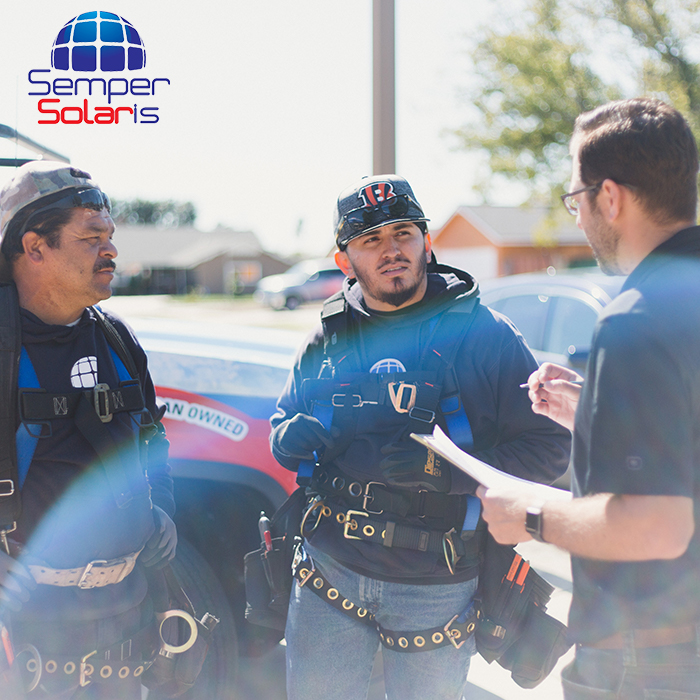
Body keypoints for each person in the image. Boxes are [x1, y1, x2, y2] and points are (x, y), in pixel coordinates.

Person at [269, 174, 571, 700]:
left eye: (403, 233)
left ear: (427, 242)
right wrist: (296, 436)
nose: (392, 251)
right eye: (371, 240)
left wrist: (448, 472)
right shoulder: (328, 336)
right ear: (346, 261)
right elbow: (281, 431)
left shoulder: (487, 335)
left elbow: (549, 450)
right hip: (329, 568)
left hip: (440, 581)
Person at [477, 97, 700, 699]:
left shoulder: (635, 320)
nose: (576, 218)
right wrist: (596, 413)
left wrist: (526, 512)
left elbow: (658, 526)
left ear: (610, 197)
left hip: (648, 656)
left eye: (575, 199)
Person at [0, 161, 176, 699]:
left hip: (124, 625)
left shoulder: (118, 339)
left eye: (110, 237)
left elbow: (152, 443)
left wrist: (162, 509)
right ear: (34, 247)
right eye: (90, 237)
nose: (111, 251)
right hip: (25, 639)